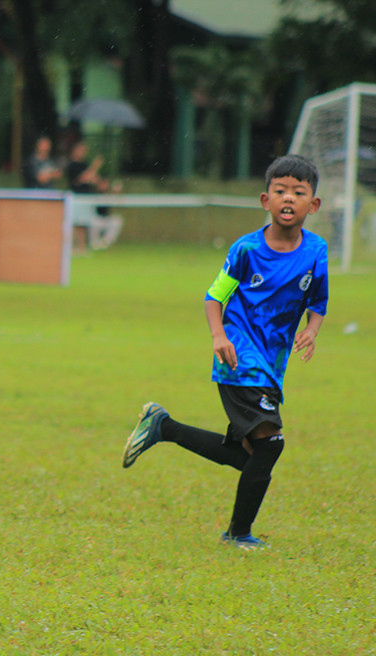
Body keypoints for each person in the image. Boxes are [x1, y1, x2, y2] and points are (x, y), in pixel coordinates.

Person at [121, 154, 328, 550]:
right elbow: (214, 296)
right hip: (238, 357)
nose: (289, 198)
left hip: (271, 364)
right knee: (271, 444)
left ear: (313, 205)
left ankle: (164, 427)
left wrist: (312, 330)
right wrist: (219, 336)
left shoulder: (316, 250)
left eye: (298, 193)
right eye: (280, 190)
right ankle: (238, 534)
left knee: (248, 455)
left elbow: (318, 301)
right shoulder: (247, 249)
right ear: (265, 200)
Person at [65, 140, 122, 249]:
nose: (83, 152)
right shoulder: (72, 165)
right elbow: (83, 178)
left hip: (86, 197)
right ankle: (72, 247)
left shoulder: (85, 164)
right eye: (81, 150)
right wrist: (95, 166)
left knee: (83, 224)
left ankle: (81, 248)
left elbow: (95, 179)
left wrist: (107, 186)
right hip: (77, 197)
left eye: (84, 150)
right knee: (75, 223)